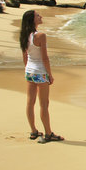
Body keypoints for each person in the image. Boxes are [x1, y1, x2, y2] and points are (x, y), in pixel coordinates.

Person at [20, 10, 64, 144]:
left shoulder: (24, 35)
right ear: (32, 20)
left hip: (29, 71)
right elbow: (45, 58)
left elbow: (25, 56)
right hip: (40, 72)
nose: (41, 17)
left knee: (30, 102)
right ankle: (48, 133)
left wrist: (29, 68)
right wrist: (49, 75)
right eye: (38, 15)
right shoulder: (41, 36)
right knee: (44, 104)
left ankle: (33, 131)